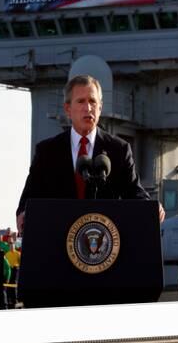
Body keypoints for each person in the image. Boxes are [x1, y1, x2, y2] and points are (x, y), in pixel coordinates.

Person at [16, 74, 165, 233]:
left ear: (100, 108)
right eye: (81, 101)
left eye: (93, 101)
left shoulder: (119, 150)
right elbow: (30, 197)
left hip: (105, 243)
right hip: (58, 239)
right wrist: (24, 213)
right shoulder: (47, 151)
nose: (88, 108)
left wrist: (152, 208)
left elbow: (135, 193)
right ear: (68, 109)